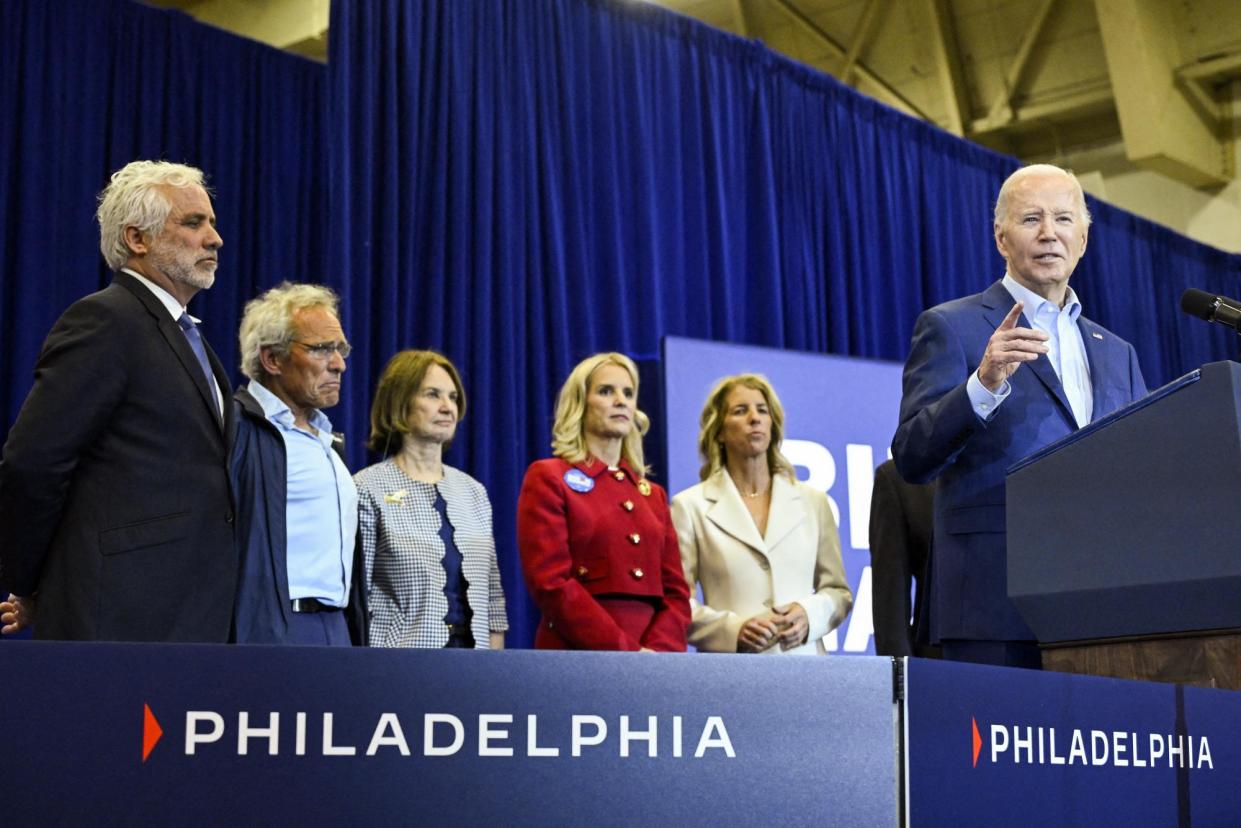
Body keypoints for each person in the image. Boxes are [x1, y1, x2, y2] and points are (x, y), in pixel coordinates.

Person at [892, 163, 1147, 668]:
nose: (1049, 233)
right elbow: (912, 457)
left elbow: (1142, 465)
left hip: (1103, 603)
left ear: (1084, 238)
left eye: (1064, 219)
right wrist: (983, 384)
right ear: (1001, 237)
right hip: (994, 602)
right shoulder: (952, 327)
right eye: (1031, 219)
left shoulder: (1117, 352)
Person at [0, 160, 235, 641]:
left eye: (211, 223)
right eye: (193, 223)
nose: (215, 239)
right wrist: (31, 581)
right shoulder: (105, 322)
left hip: (191, 608)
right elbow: (34, 462)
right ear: (137, 239)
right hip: (121, 612)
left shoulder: (190, 338)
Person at [517, 352, 691, 651]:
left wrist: (659, 654)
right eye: (606, 391)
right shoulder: (549, 477)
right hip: (580, 654)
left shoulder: (653, 495)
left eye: (628, 393)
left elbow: (676, 592)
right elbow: (551, 584)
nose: (620, 401)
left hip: (655, 661)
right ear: (581, 403)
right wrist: (626, 652)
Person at [670, 374, 852, 655]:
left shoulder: (813, 502)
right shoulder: (689, 506)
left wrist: (808, 615)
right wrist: (732, 630)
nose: (754, 418)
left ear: (772, 425)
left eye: (762, 410)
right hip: (731, 676)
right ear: (719, 430)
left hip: (807, 674)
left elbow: (838, 592)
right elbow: (677, 602)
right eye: (740, 411)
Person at [230, 282, 364, 646]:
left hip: (336, 629)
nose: (339, 364)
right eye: (321, 350)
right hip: (273, 632)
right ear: (273, 359)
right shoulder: (235, 430)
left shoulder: (328, 441)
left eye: (341, 349)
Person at [353, 350, 508, 649]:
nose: (447, 407)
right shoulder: (366, 487)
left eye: (453, 397)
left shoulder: (473, 491)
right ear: (400, 402)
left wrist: (494, 671)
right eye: (433, 394)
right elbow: (359, 600)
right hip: (400, 664)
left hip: (474, 663)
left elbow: (493, 602)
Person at [868, 459, 936, 659]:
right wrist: (901, 682)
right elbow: (890, 606)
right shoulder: (898, 478)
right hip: (938, 664)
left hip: (1025, 660)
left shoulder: (1024, 458)